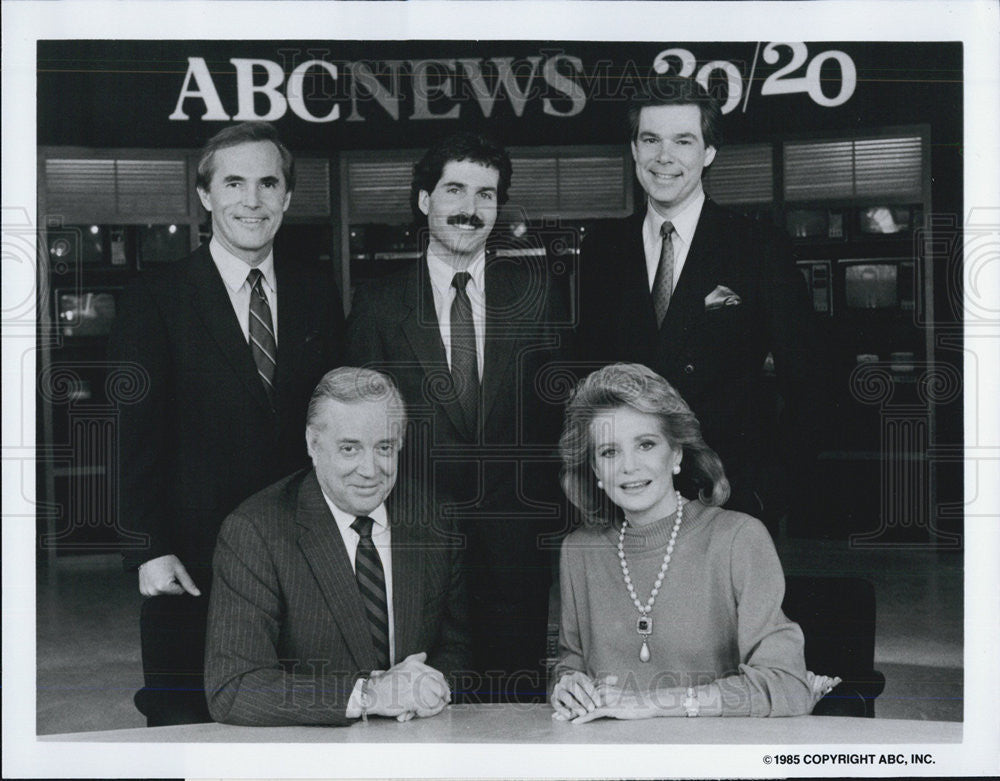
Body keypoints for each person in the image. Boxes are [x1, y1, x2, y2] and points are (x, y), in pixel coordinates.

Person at [107, 121, 346, 725]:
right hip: (190, 567)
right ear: (205, 195)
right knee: (186, 728)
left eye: (269, 183)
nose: (252, 199)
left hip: (302, 566)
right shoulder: (154, 298)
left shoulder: (319, 295)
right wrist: (149, 549)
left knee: (299, 731)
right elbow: (129, 437)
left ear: (287, 198)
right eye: (233, 182)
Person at [347, 132, 568, 702]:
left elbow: (557, 420)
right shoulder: (378, 303)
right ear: (424, 200)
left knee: (516, 707)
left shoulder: (538, 295)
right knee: (424, 701)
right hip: (417, 541)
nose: (470, 209)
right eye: (455, 190)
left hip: (517, 547)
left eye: (486, 195)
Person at [574, 76, 827, 525]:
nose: (664, 157)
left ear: (708, 152)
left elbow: (810, 382)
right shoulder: (602, 249)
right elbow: (586, 378)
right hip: (626, 496)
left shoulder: (757, 246)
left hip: (726, 497)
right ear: (634, 150)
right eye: (650, 139)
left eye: (683, 140)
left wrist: (766, 487)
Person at [550, 363, 838, 721]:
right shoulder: (580, 551)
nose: (629, 466)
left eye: (646, 444)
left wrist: (649, 705)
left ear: (676, 454)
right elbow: (571, 662)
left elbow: (786, 686)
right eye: (609, 452)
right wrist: (568, 685)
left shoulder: (738, 539)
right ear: (594, 470)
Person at [205, 367, 469, 726]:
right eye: (349, 448)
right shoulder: (255, 533)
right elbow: (234, 689)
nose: (369, 469)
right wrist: (371, 696)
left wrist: (426, 688)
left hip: (416, 741)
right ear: (313, 444)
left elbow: (457, 650)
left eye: (385, 448)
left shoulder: (435, 520)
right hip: (311, 757)